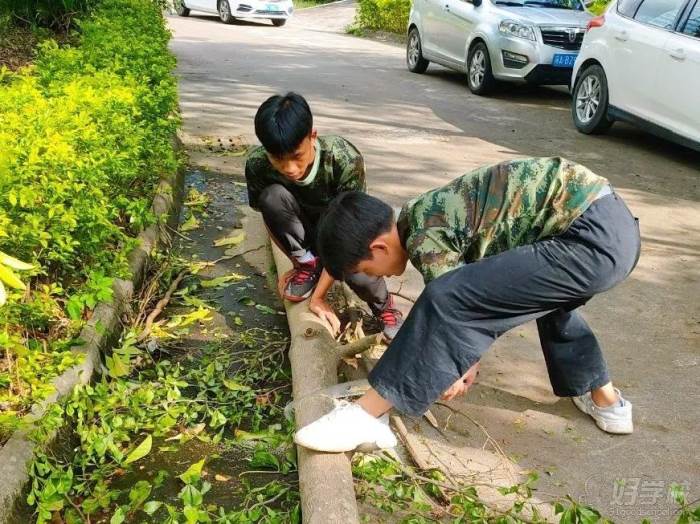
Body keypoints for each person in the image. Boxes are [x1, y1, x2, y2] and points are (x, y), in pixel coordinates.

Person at [294, 157, 641, 453]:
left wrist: (463, 367)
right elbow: (489, 297)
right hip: (611, 225)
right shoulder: (421, 212)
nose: (372, 277)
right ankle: (607, 402)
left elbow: (456, 310)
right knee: (549, 303)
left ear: (380, 247)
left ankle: (366, 415)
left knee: (444, 297)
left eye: (364, 270)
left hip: (591, 241)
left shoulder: (424, 238)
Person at [245, 92, 403, 339]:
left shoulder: (343, 160)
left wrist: (318, 297)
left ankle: (385, 307)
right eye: (278, 159)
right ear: (265, 150)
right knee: (271, 198)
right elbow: (270, 217)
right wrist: (297, 261)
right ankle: (309, 265)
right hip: (302, 230)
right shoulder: (257, 165)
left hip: (342, 235)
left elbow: (354, 233)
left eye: (297, 156)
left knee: (361, 271)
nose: (290, 169)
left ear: (313, 136)